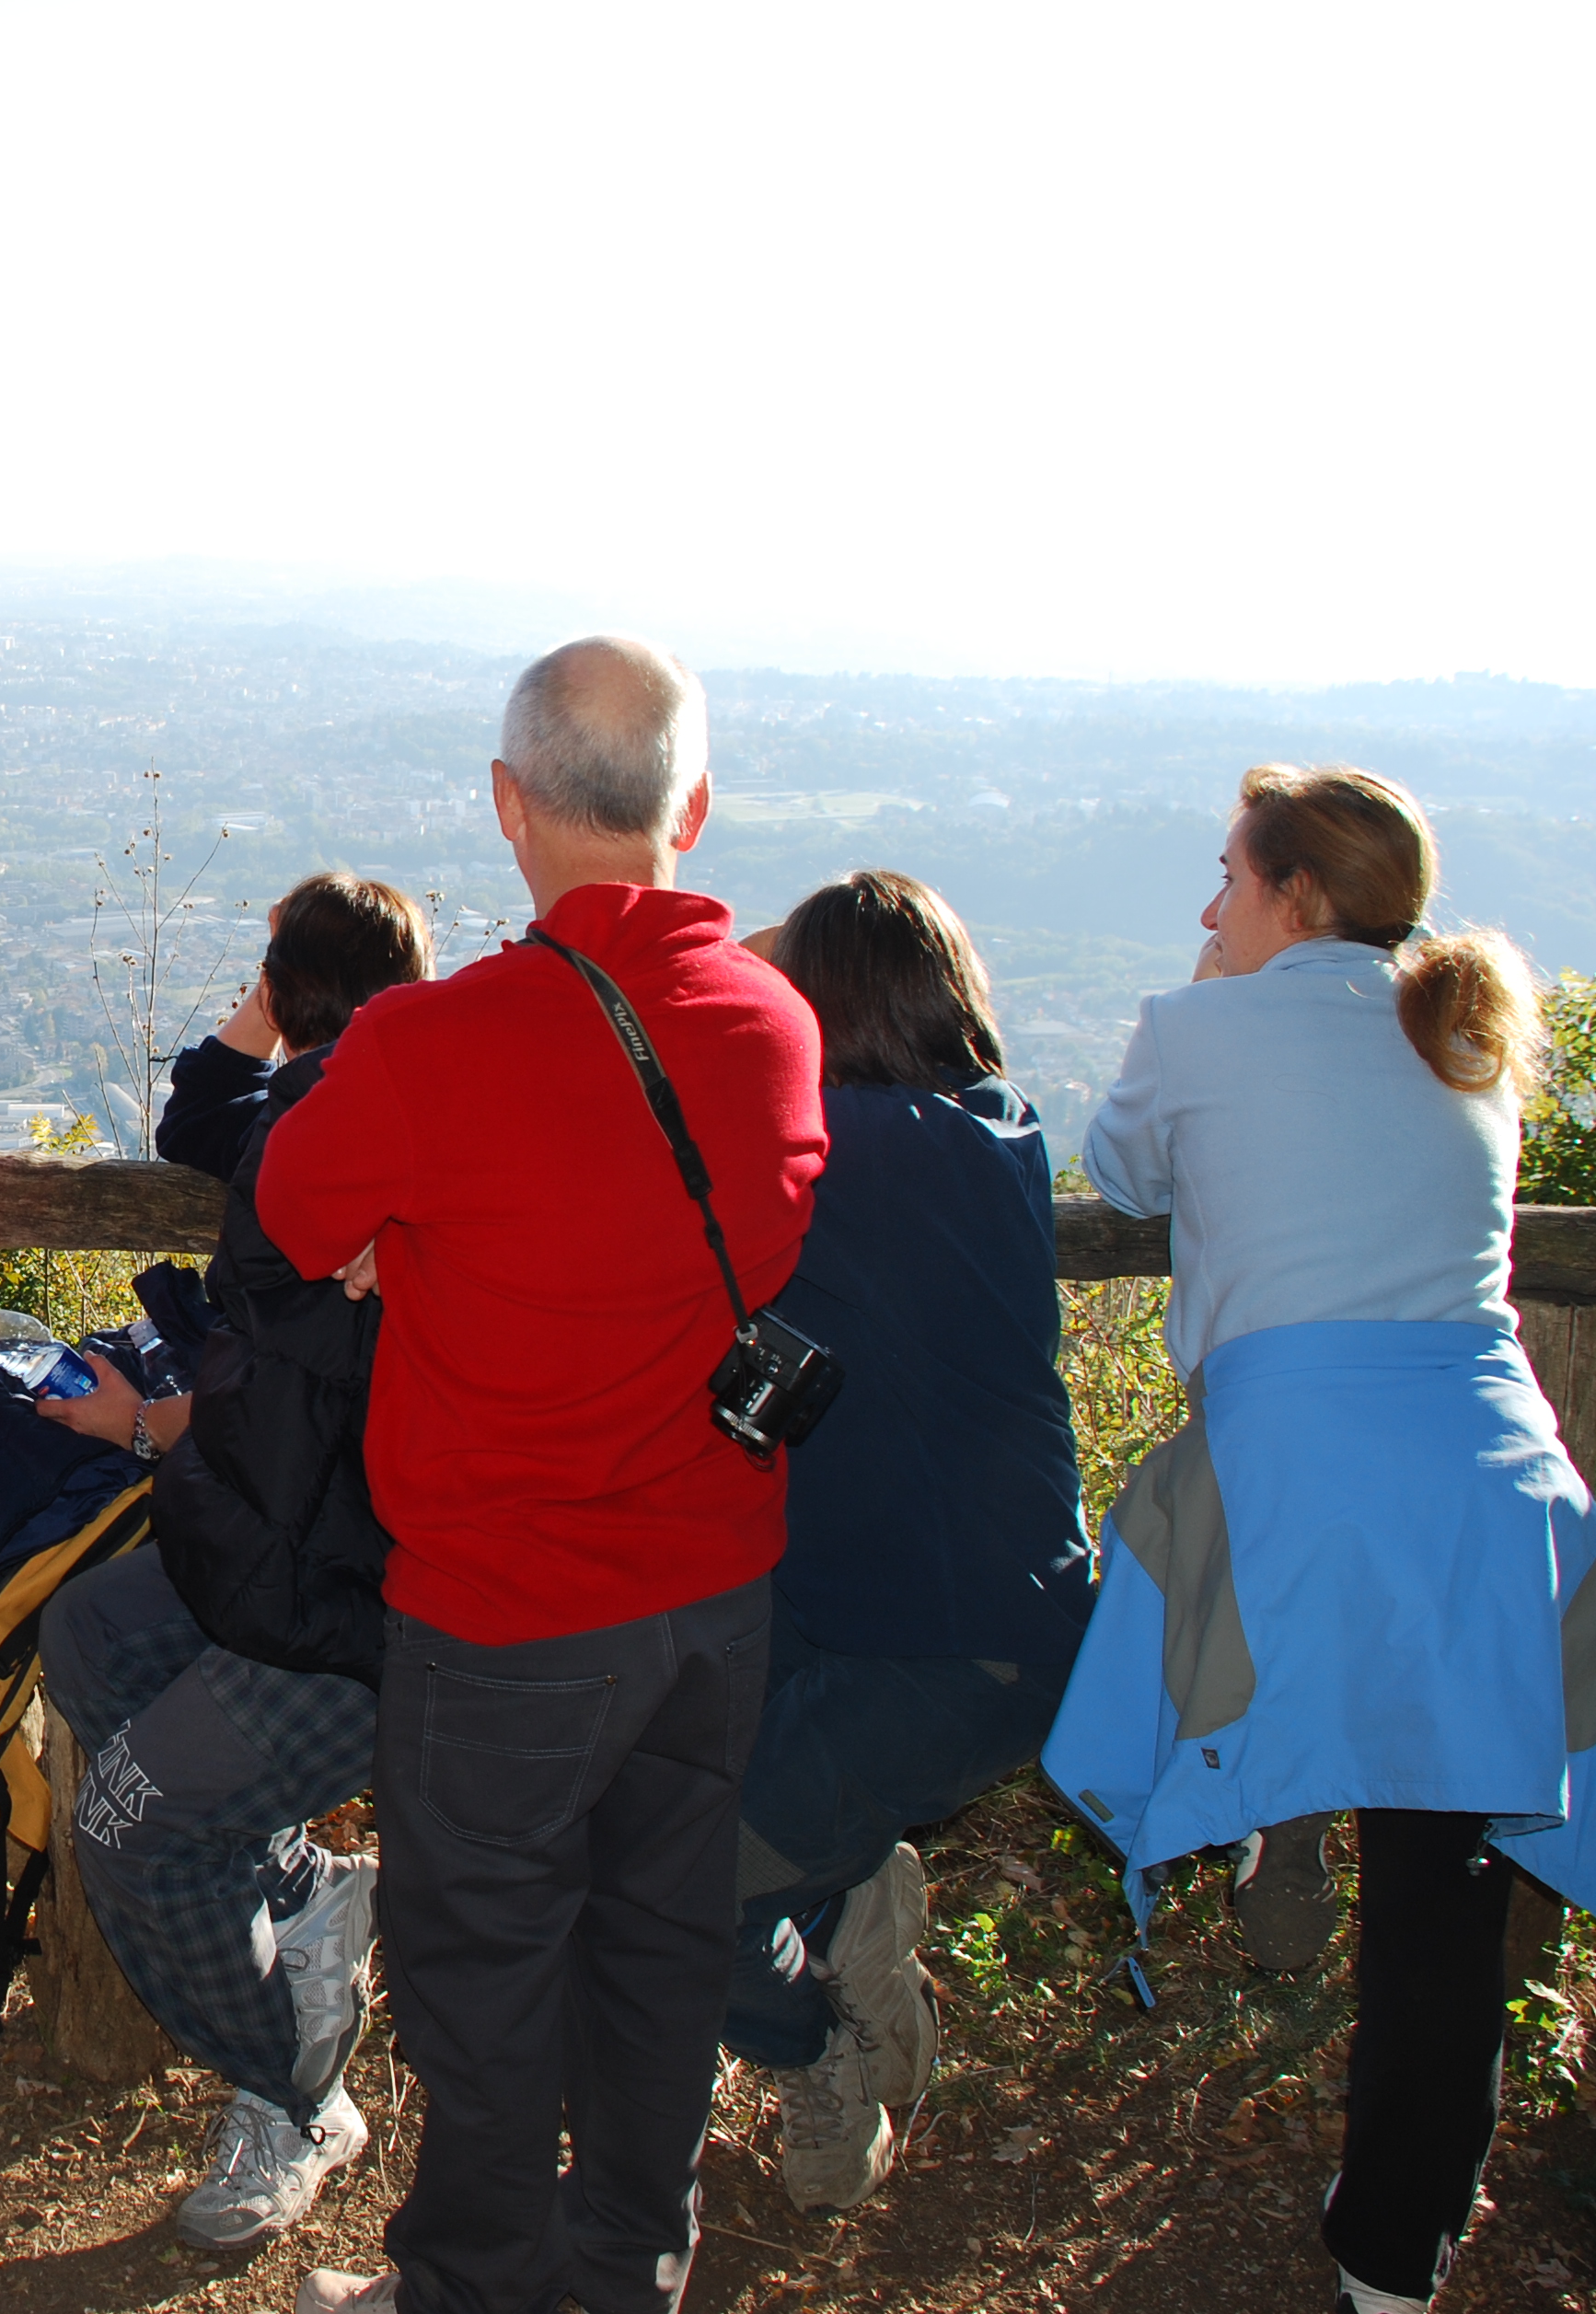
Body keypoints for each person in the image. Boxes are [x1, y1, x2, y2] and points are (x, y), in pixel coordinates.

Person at [1046, 764, 1596, 2313]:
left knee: (1250, 1612)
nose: (1209, 904)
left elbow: (1119, 1175)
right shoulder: (1465, 1036)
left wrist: (1206, 1002)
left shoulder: (1196, 1024)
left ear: (1297, 897)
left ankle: (1277, 1802)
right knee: (1442, 1895)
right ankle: (1396, 2253)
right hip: (1493, 1483)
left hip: (1297, 1478)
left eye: (1229, 877)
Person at [253, 637, 827, 2314]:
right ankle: (629, 2269)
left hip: (504, 1615)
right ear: (692, 811)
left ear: (507, 805)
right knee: (661, 1954)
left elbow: (292, 1211)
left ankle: (469, 2288)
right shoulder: (775, 1022)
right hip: (715, 1592)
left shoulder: (433, 1045)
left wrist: (413, 1237)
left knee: (483, 1981)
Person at [33, 870, 433, 2250]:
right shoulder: (306, 1114)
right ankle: (299, 1894)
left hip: (355, 1598)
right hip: (268, 1541)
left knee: (126, 1829)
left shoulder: (385, 1146)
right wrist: (278, 1008)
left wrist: (151, 1428)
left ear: (291, 989)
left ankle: (293, 2094)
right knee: (88, 1636)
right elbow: (197, 1118)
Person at [723, 872, 1093, 2210]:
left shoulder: (847, 1154)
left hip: (942, 1653)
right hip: (900, 1610)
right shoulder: (995, 1129)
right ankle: (848, 1903)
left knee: (672, 1883)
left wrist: (748, 969)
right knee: (699, 1788)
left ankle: (822, 2053)